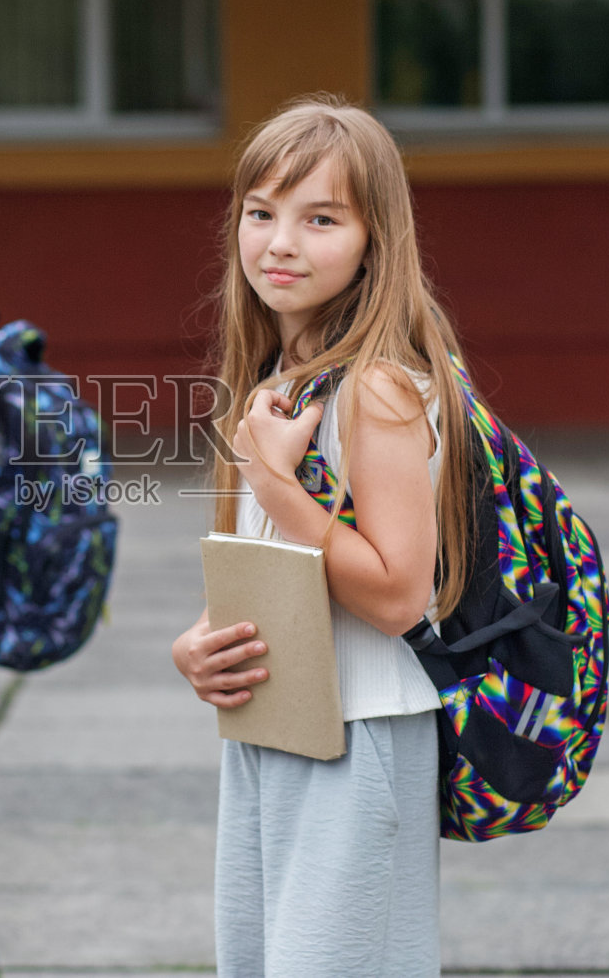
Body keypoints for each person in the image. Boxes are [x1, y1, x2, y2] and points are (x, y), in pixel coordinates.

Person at [171, 95, 483, 976]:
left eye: (320, 219)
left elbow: (396, 593)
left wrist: (273, 477)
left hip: (361, 735)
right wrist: (204, 639)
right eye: (261, 213)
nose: (280, 242)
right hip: (276, 723)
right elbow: (282, 563)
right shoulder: (277, 378)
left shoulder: (378, 387)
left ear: (374, 239)